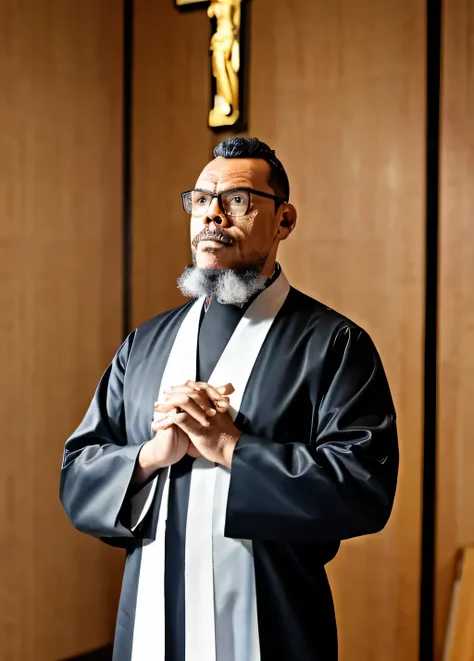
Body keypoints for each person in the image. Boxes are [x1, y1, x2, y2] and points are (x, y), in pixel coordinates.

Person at [60, 137, 398, 661]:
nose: (212, 215)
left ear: (284, 221)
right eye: (200, 200)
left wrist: (231, 448)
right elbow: (78, 473)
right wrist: (152, 456)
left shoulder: (334, 345)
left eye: (237, 201)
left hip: (272, 621)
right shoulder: (144, 345)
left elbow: (364, 486)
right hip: (150, 622)